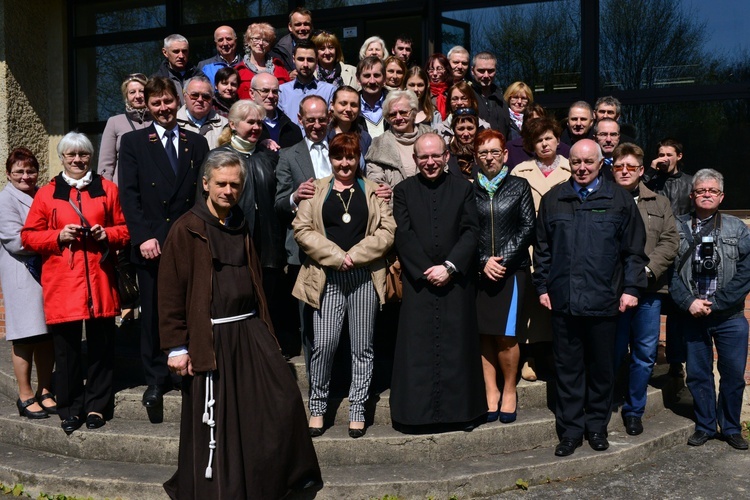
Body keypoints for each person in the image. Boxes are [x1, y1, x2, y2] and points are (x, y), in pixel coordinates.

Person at [158, 150, 322, 499]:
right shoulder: (186, 228)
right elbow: (170, 291)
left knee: (281, 400)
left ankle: (271, 480)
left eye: (235, 184)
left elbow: (255, 280)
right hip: (211, 337)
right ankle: (223, 490)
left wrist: (265, 329)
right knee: (219, 422)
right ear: (205, 184)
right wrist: (176, 347)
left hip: (249, 330)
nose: (228, 191)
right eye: (221, 183)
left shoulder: (239, 222)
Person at [533, 138, 647, 456]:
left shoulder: (619, 201)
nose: (582, 168)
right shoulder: (555, 199)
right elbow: (542, 249)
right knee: (567, 370)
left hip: (604, 301)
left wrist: (631, 289)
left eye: (589, 162)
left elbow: (634, 251)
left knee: (601, 370)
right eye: (576, 162)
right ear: (569, 163)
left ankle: (596, 427)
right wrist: (541, 287)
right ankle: (570, 431)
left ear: (600, 164)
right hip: (564, 302)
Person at [21, 132, 130, 434]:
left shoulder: (107, 189)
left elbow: (124, 229)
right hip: (62, 283)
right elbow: (28, 236)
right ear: (62, 158)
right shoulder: (47, 193)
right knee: (66, 352)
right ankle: (70, 407)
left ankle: (97, 406)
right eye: (71, 155)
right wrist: (57, 235)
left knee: (101, 349)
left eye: (82, 154)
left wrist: (107, 234)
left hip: (100, 280)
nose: (77, 160)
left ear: (90, 157)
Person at [292, 132, 396, 438]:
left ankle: (358, 409)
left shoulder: (375, 191)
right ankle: (318, 407)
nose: (345, 163)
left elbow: (388, 231)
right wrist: (338, 256)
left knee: (362, 348)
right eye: (339, 157)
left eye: (351, 156)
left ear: (358, 158)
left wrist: (356, 256)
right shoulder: (315, 190)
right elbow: (302, 229)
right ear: (331, 158)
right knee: (323, 345)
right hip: (327, 277)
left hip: (363, 276)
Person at [118, 77, 210, 413]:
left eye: (168, 102)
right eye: (156, 103)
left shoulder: (196, 143)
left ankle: (185, 372)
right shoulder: (133, 142)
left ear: (178, 102)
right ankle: (155, 379)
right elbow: (129, 195)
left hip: (187, 240)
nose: (163, 108)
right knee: (154, 313)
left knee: (190, 307)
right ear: (147, 106)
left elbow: (203, 193)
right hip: (151, 243)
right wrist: (142, 236)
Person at [390, 132, 486, 432]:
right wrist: (424, 270)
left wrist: (449, 267)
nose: (430, 162)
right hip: (419, 284)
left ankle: (462, 413)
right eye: (423, 157)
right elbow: (403, 234)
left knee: (458, 348)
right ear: (415, 160)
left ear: (447, 157)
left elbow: (471, 231)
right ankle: (415, 416)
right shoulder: (404, 190)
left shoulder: (464, 189)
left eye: (436, 156)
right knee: (417, 350)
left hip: (456, 282)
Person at [670, 169, 750, 451]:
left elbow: (746, 272)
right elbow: (668, 272)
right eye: (701, 190)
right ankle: (705, 425)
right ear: (692, 195)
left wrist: (718, 302)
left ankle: (730, 427)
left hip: (730, 317)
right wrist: (687, 301)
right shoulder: (676, 226)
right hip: (692, 315)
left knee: (732, 374)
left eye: (712, 191)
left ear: (721, 196)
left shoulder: (737, 228)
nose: (706, 194)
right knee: (698, 374)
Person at [611, 143, 678, 436]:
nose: (624, 172)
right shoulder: (604, 199)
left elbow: (670, 241)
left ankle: (634, 410)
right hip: (612, 292)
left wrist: (646, 271)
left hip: (648, 291)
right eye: (618, 167)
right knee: (612, 350)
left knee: (644, 353)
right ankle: (607, 401)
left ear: (641, 171)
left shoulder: (659, 203)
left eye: (630, 167)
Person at [473, 130, 535, 424]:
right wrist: (483, 262)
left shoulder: (519, 186)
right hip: (479, 272)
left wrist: (502, 262)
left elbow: (527, 227)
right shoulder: (468, 190)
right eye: (483, 153)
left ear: (505, 155)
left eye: (495, 152)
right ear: (476, 157)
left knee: (507, 335)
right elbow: (466, 231)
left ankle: (509, 389)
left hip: (512, 272)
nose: (489, 158)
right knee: (484, 334)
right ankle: (489, 390)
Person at [511, 116, 572, 382]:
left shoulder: (573, 169)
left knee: (558, 306)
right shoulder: (520, 171)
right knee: (530, 307)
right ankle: (529, 356)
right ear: (531, 145)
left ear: (558, 141)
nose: (544, 144)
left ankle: (554, 355)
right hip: (530, 247)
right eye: (538, 140)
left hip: (565, 247)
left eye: (548, 138)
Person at [0, 148, 55, 420]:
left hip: (49, 275)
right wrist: (52, 239)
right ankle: (25, 395)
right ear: (8, 174)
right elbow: (14, 240)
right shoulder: (5, 200)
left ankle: (45, 390)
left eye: (30, 170)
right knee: (25, 337)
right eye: (19, 171)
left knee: (46, 336)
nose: (25, 176)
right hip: (23, 274)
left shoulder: (43, 195)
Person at [211, 100, 284, 301]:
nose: (256, 128)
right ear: (233, 124)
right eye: (250, 122)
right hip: (232, 244)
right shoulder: (217, 158)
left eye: (259, 123)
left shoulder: (269, 158)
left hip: (267, 248)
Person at [643, 137, 693, 378]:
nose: (664, 159)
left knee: (677, 312)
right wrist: (650, 172)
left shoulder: (690, 183)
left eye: (669, 155)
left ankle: (675, 364)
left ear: (679, 156)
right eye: (660, 154)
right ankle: (645, 358)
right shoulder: (650, 181)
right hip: (653, 252)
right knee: (648, 307)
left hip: (681, 253)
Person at [365, 90, 432, 190]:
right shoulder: (378, 144)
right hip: (395, 202)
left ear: (413, 112)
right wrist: (381, 187)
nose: (398, 117)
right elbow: (374, 176)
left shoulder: (431, 136)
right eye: (392, 114)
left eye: (403, 112)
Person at [98, 73, 153, 183]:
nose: (138, 96)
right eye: (132, 92)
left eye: (141, 91)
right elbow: (106, 165)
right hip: (123, 190)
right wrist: (106, 191)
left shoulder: (158, 120)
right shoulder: (114, 122)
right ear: (126, 96)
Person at [278, 40, 336, 128]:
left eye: (310, 60)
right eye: (301, 59)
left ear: (317, 61)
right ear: (293, 59)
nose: (305, 64)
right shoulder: (281, 91)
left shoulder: (329, 91)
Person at [236, 22, 290, 100]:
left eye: (266, 40)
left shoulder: (280, 68)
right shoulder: (239, 71)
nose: (260, 43)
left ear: (270, 45)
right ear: (248, 41)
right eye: (256, 39)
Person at [252, 72, 303, 151]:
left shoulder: (292, 130)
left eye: (275, 91)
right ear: (252, 93)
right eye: (265, 91)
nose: (271, 96)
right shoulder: (241, 126)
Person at [176, 75, 228, 149]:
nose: (200, 100)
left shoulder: (225, 125)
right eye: (194, 95)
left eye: (206, 97)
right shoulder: (173, 124)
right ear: (185, 98)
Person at [327, 85, 372, 169]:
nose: (348, 109)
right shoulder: (324, 136)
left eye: (353, 105)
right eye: (343, 103)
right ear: (332, 105)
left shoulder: (364, 138)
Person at [153, 34, 202, 106]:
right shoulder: (156, 81)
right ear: (165, 52)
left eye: (184, 51)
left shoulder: (200, 77)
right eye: (176, 51)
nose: (181, 56)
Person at [470, 52, 508, 133]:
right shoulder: (467, 97)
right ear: (472, 71)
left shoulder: (501, 99)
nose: (486, 75)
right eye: (481, 71)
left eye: (490, 71)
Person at [269, 7, 314, 74]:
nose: (303, 28)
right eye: (298, 24)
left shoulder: (320, 46)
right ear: (290, 27)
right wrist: (288, 75)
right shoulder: (278, 51)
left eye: (306, 24)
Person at [357, 56, 388, 138]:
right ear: (358, 79)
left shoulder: (395, 104)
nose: (372, 81)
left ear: (384, 79)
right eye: (367, 76)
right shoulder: (351, 108)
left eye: (376, 75)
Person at [446, 109, 480, 180]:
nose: (466, 134)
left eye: (470, 128)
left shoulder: (484, 151)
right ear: (453, 130)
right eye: (461, 129)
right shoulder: (445, 152)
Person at [424, 53, 451, 120]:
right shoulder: (424, 93)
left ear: (446, 71)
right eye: (431, 69)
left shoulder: (451, 92)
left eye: (439, 69)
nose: (435, 73)